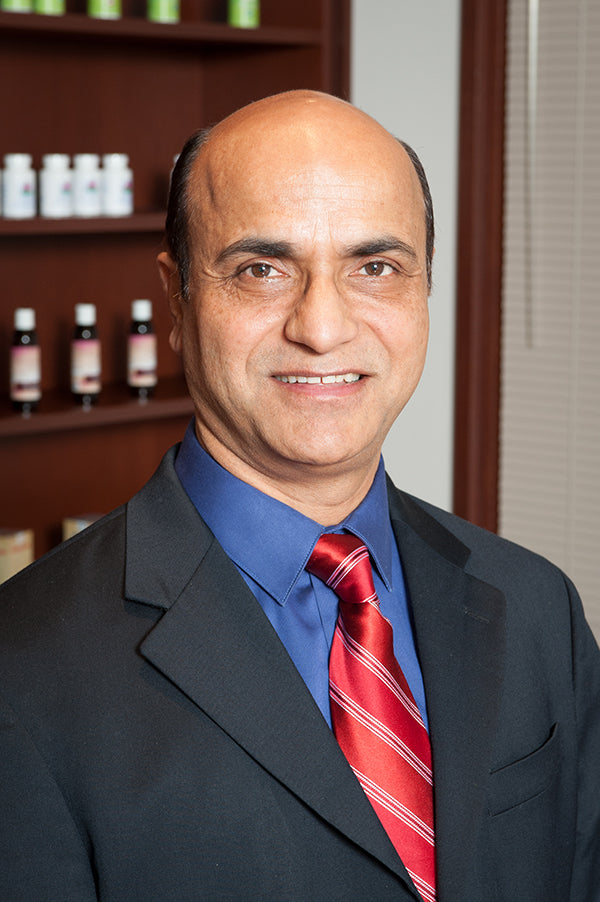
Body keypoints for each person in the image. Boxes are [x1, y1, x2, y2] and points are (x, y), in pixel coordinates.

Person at [1, 90, 599, 902]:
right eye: (261, 269)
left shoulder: (536, 608)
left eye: (375, 266)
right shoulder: (24, 671)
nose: (321, 327)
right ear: (176, 300)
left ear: (425, 290)